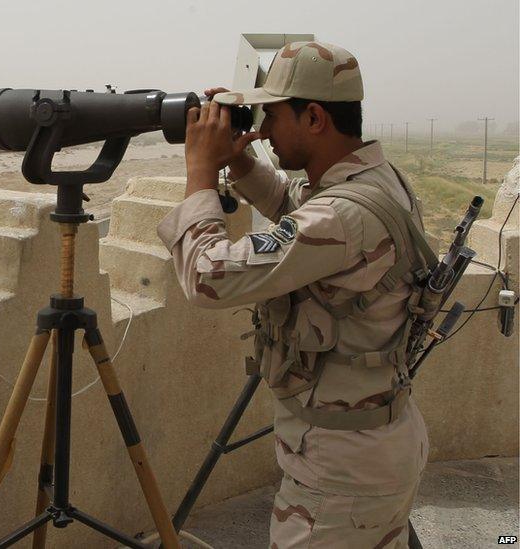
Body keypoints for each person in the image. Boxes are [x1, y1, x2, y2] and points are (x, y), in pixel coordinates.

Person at [156, 41, 432, 548]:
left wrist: (199, 174)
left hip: (342, 475)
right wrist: (240, 165)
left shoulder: (344, 215)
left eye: (271, 114)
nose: (261, 128)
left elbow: (208, 277)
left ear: (314, 118)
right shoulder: (375, 180)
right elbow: (294, 212)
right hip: (367, 448)